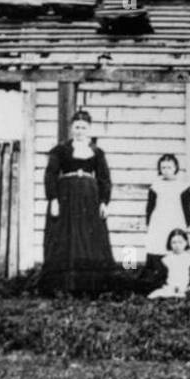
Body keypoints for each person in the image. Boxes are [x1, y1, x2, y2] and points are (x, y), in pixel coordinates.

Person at [41, 109, 117, 293]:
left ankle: (91, 286)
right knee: (66, 237)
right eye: (77, 127)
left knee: (89, 238)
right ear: (71, 128)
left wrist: (104, 202)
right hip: (66, 197)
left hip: (90, 199)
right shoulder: (60, 150)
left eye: (83, 127)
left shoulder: (97, 152)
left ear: (89, 129)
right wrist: (53, 199)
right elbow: (50, 175)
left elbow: (104, 178)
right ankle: (63, 286)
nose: (80, 131)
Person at [145, 154, 190, 279]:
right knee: (157, 245)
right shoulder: (155, 186)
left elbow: (186, 208)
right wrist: (148, 223)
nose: (166, 170)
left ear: (175, 168)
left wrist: (187, 224)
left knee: (174, 244)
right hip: (158, 220)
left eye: (169, 167)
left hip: (176, 219)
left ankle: (175, 275)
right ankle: (156, 274)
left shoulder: (182, 186)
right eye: (163, 167)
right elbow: (150, 207)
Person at [148, 229, 190, 299]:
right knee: (155, 295)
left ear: (186, 242)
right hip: (169, 288)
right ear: (169, 244)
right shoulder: (166, 260)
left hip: (186, 289)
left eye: (180, 242)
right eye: (174, 242)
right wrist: (165, 286)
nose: (177, 245)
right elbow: (161, 278)